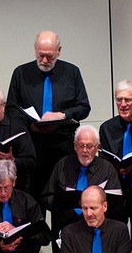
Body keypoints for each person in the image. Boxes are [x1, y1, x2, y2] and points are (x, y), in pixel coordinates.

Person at [6, 30, 91, 196]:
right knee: (32, 200)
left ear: (59, 51)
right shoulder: (21, 73)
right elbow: (11, 109)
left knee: (63, 199)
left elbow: (84, 107)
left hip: (63, 145)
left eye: (50, 56)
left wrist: (62, 115)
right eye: (40, 55)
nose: (44, 60)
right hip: (31, 145)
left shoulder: (72, 72)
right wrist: (31, 124)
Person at [41, 125, 121, 232]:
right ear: (74, 146)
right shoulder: (62, 165)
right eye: (80, 145)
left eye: (89, 146)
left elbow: (117, 204)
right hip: (66, 227)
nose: (84, 150)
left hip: (97, 229)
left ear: (97, 147)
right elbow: (46, 198)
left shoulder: (107, 168)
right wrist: (62, 201)